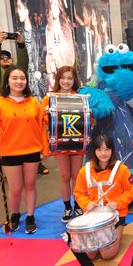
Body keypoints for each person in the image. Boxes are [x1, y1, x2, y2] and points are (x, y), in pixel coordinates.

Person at [0, 66, 45, 234]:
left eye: (22, 78)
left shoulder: (33, 102)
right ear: (8, 81)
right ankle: (16, 214)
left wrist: (44, 149)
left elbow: (41, 127)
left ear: (26, 81)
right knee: (16, 188)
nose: (19, 81)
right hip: (10, 151)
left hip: (32, 150)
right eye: (15, 78)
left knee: (30, 185)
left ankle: (31, 217)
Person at [73, 134, 133, 260]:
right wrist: (86, 204)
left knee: (107, 254)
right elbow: (79, 193)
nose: (103, 153)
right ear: (94, 151)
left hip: (116, 215)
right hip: (93, 216)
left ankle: (117, 234)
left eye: (107, 149)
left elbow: (131, 191)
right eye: (99, 149)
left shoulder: (122, 169)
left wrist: (119, 203)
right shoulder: (85, 171)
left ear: (112, 150)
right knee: (90, 254)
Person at [41, 66, 85, 222]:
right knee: (65, 176)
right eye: (63, 78)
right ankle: (67, 206)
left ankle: (78, 204)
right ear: (58, 79)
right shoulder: (50, 98)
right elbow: (42, 122)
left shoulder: (80, 97)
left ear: (74, 80)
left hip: (77, 143)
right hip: (60, 144)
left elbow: (87, 120)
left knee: (76, 176)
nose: (66, 81)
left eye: (70, 78)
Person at [15, 0, 45, 101]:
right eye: (17, 8)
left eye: (20, 7)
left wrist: (40, 71)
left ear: (27, 11)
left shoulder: (37, 33)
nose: (18, 11)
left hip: (36, 79)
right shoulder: (18, 34)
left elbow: (43, 54)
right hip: (24, 79)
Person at [45, 0, 75, 91]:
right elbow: (49, 50)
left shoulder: (65, 26)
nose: (54, 7)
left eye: (55, 3)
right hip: (53, 72)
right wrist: (51, 64)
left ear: (59, 5)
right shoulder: (48, 27)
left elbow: (70, 50)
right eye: (51, 3)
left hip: (65, 68)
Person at [0, 31, 29, 99]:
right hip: (2, 105)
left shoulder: (17, 70)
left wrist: (21, 44)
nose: (5, 59)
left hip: (19, 102)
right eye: (2, 58)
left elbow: (23, 61)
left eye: (8, 57)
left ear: (12, 60)